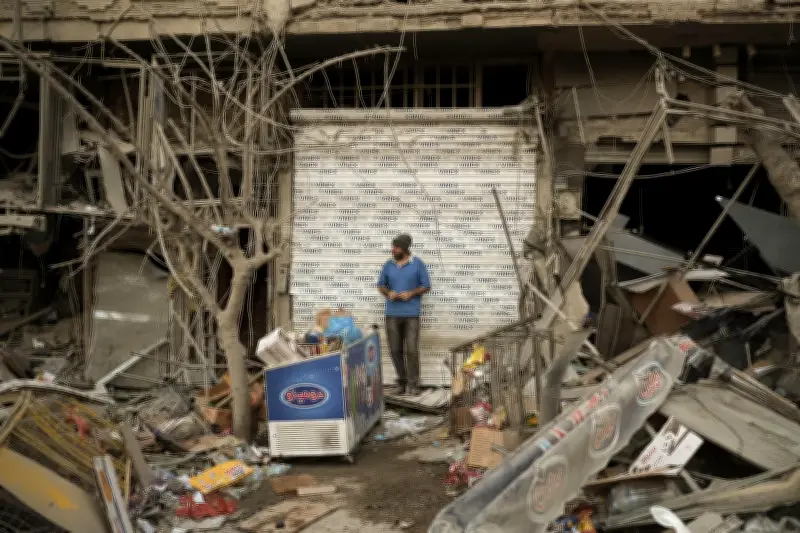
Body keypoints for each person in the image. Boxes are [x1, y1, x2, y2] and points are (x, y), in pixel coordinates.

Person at [376, 233, 431, 395]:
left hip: (411, 314)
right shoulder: (388, 265)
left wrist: (412, 293)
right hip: (392, 313)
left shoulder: (417, 264)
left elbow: (426, 285)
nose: (393, 250)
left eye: (397, 247)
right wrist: (388, 293)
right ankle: (402, 382)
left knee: (412, 350)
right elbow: (381, 285)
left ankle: (413, 384)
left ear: (405, 249)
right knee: (394, 350)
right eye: (393, 247)